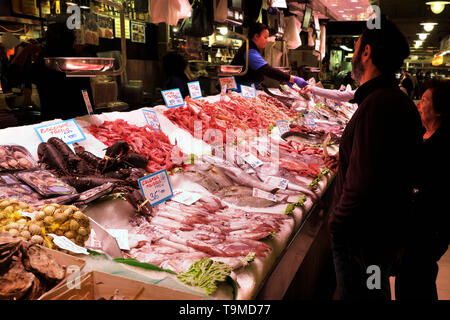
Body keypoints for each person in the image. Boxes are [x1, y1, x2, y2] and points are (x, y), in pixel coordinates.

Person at [328, 16, 424, 300]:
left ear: (367, 52)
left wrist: (337, 225)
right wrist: (346, 161)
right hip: (379, 235)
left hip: (364, 238)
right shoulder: (392, 99)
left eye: (357, 44)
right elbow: (380, 163)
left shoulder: (379, 104)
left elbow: (363, 181)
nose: (355, 50)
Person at [395, 79, 450, 300]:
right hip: (413, 232)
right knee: (411, 281)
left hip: (427, 232)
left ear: (439, 111)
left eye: (425, 100)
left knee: (416, 282)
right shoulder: (424, 135)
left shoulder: (443, 146)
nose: (419, 104)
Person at [7, 23, 93, 122]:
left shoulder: (46, 65)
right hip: (81, 120)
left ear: (49, 41)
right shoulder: (79, 61)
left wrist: (25, 51)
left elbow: (12, 77)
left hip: (54, 123)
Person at [231, 22, 307, 90]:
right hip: (241, 89)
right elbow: (266, 69)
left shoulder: (251, 48)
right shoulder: (250, 51)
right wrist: (292, 78)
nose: (267, 40)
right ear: (256, 36)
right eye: (265, 37)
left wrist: (286, 79)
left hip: (248, 87)